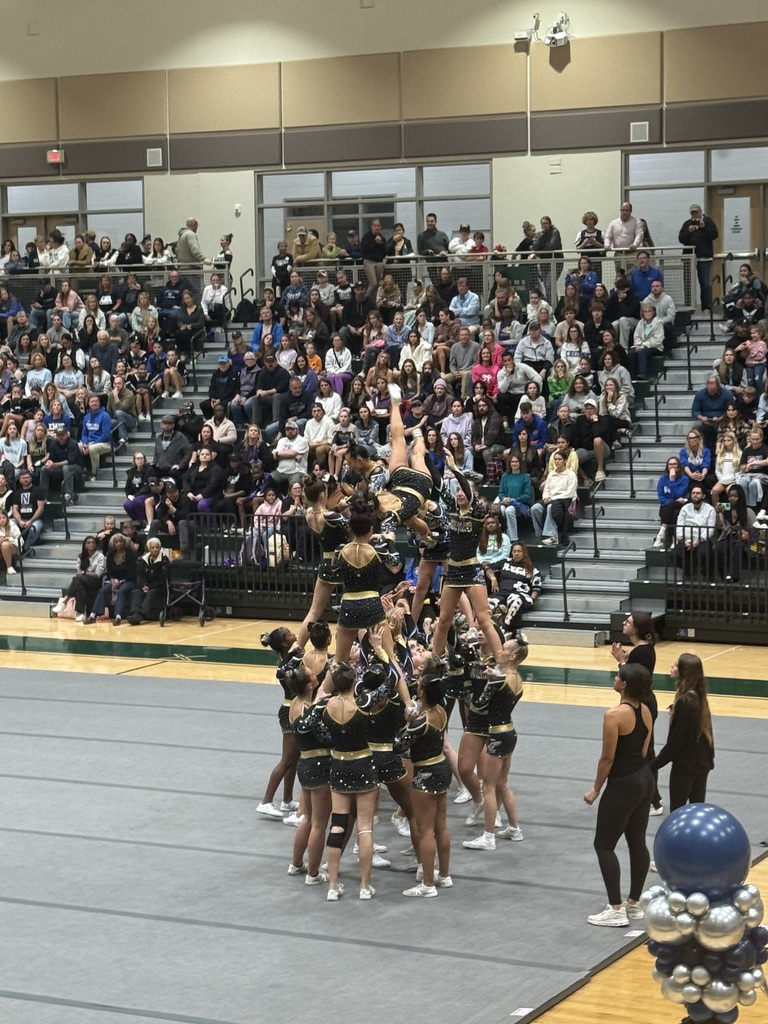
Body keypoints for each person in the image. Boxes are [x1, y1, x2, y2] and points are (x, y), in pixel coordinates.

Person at [584, 663, 654, 928]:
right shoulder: (646, 711)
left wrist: (596, 789)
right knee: (637, 841)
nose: (614, 678)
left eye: (618, 676)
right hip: (644, 778)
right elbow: (645, 749)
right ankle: (634, 903)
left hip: (624, 783)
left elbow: (608, 757)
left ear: (624, 685)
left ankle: (615, 908)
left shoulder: (614, 715)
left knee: (604, 845)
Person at [462, 634, 527, 851]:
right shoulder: (517, 679)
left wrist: (485, 683)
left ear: (513, 656)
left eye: (504, 650)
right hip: (509, 731)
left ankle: (488, 837)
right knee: (502, 783)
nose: (500, 651)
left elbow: (480, 704)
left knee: (488, 787)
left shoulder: (498, 680)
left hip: (496, 735)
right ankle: (515, 829)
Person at [396, 655, 453, 897]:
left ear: (422, 693)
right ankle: (444, 875)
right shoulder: (440, 710)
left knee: (425, 828)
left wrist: (406, 723)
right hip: (441, 767)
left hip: (425, 773)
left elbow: (399, 746)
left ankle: (428, 884)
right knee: (441, 826)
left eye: (419, 687)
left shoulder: (421, 721)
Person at [651, 654, 715, 810]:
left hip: (687, 765)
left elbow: (676, 742)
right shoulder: (698, 695)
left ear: (684, 672)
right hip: (702, 761)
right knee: (697, 808)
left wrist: (654, 765)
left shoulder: (686, 701)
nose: (671, 668)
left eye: (675, 666)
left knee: (678, 810)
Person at [52, 536, 107, 622]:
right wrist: (83, 574)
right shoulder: (81, 556)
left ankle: (65, 602)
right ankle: (81, 613)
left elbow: (97, 574)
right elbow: (78, 572)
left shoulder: (101, 557)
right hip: (83, 580)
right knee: (79, 585)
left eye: (93, 542)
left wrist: (84, 573)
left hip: (96, 581)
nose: (91, 544)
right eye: (88, 543)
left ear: (96, 545)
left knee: (77, 579)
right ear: (85, 545)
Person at [530, 450, 578, 545]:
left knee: (551, 507)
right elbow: (547, 489)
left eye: (559, 459)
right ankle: (539, 535)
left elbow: (570, 493)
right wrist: (546, 497)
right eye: (555, 459)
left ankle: (551, 536)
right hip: (550, 498)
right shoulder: (551, 474)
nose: (557, 461)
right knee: (534, 508)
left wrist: (553, 499)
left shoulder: (571, 475)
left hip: (565, 501)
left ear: (564, 460)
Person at [678, 203, 719, 311]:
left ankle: (707, 307)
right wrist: (689, 231)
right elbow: (681, 239)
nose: (695, 215)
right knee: (688, 283)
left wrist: (703, 227)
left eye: (697, 212)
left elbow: (714, 235)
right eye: (693, 213)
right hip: (689, 258)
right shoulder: (687, 224)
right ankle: (689, 306)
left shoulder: (708, 222)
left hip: (704, 258)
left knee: (705, 283)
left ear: (700, 212)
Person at [674, 485, 716, 577]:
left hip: (702, 540)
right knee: (675, 553)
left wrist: (698, 541)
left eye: (698, 493)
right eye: (693, 493)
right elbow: (679, 526)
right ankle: (689, 573)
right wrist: (684, 540)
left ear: (703, 496)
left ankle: (703, 575)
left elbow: (710, 529)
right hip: (686, 540)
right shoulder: (685, 508)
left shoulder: (710, 509)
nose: (695, 495)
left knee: (704, 553)